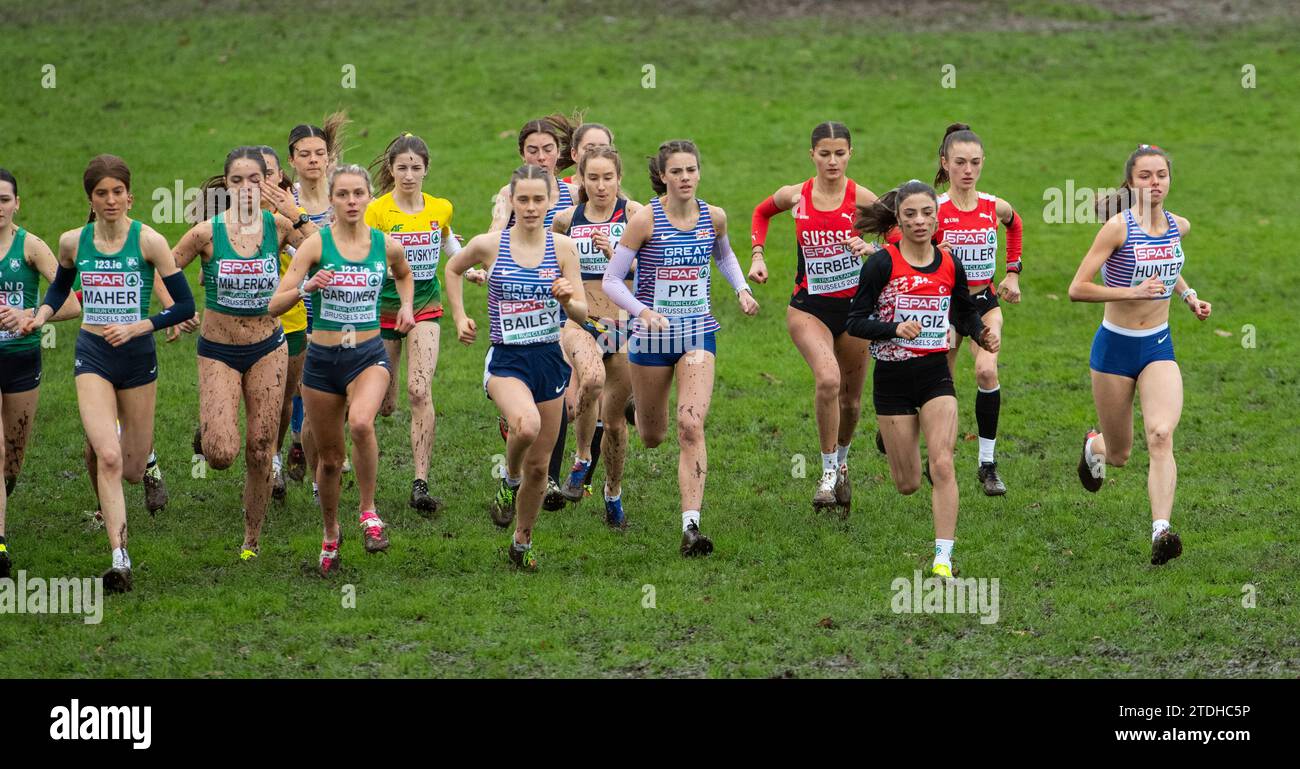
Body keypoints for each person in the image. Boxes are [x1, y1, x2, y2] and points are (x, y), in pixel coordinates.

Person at [18, 154, 195, 592]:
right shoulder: (72, 242)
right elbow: (61, 285)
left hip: (137, 358)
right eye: (102, 193)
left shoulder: (150, 242)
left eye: (118, 192)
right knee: (108, 456)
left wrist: (142, 325)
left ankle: (149, 465)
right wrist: (40, 316)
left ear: (129, 196)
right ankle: (120, 557)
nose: (110, 200)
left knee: (132, 466)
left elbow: (186, 306)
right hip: (92, 353)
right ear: (91, 199)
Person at [602, 140, 759, 555]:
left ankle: (691, 526)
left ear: (698, 173)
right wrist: (642, 312)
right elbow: (612, 280)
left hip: (697, 334)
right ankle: (638, 406)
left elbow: (723, 257)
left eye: (691, 170)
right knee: (653, 437)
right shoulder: (645, 221)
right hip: (651, 338)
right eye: (677, 172)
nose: (685, 178)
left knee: (690, 425)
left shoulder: (715, 218)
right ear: (663, 177)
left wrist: (741, 290)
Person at [166, 147, 317, 560]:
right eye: (238, 181)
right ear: (226, 186)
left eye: (256, 180)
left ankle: (251, 540)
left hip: (268, 346)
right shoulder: (205, 233)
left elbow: (331, 248)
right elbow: (166, 266)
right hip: (218, 349)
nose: (248, 189)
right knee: (219, 454)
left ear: (267, 183)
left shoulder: (280, 226)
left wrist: (298, 215)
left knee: (260, 446)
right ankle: (211, 428)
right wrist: (176, 311)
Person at [845, 180, 999, 581]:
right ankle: (896, 439)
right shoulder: (881, 264)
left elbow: (964, 312)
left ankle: (943, 560)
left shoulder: (949, 263)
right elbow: (855, 322)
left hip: (934, 375)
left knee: (943, 464)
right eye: (910, 214)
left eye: (927, 213)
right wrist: (894, 329)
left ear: (936, 217)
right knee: (908, 483)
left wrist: (981, 332)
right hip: (892, 379)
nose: (919, 221)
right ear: (898, 218)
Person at [1068, 144, 1210, 566]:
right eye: (1145, 176)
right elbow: (1078, 288)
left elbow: (1168, 262)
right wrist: (1130, 291)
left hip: (1158, 346)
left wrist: (1189, 296)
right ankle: (1093, 446)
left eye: (1161, 175)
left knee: (1161, 435)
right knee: (1120, 454)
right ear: (1131, 183)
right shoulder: (1117, 228)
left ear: (1170, 179)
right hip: (1114, 348)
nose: (1155, 183)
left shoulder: (1177, 226)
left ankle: (1161, 532)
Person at [271, 164, 415, 576]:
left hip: (368, 355)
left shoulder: (385, 246)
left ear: (369, 197)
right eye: (343, 195)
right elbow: (275, 303)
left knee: (362, 423)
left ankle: (369, 513)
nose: (352, 201)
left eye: (358, 194)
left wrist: (405, 306)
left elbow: (404, 275)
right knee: (331, 460)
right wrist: (306, 288)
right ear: (331, 200)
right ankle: (331, 533)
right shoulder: (315, 247)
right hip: (321, 363)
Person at [445, 165, 586, 570]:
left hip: (549, 360)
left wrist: (567, 298)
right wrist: (459, 317)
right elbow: (453, 269)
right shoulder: (490, 244)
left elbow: (580, 310)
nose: (529, 207)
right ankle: (509, 479)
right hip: (507, 360)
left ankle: (522, 540)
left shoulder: (563, 249)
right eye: (522, 199)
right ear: (511, 200)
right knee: (525, 425)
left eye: (537, 199)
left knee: (540, 467)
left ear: (550, 202)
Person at [748, 121, 877, 513]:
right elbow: (760, 212)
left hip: (856, 311)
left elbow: (898, 234)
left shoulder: (862, 199)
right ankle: (824, 475)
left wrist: (869, 246)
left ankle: (841, 463)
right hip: (809, 308)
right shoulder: (797, 196)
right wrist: (757, 254)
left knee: (852, 403)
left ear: (850, 154)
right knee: (828, 380)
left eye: (840, 153)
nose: (832, 161)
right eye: (824, 154)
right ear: (812, 155)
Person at [366, 132, 463, 514]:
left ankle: (420, 483)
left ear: (426, 170)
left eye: (415, 168)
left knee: (419, 391)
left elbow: (446, 240)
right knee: (384, 404)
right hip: (381, 310)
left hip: (425, 305)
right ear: (391, 170)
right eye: (402, 168)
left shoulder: (440, 207)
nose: (408, 175)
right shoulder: (376, 211)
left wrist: (466, 266)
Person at [930, 123, 1024, 495]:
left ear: (983, 163)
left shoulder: (992, 206)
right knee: (943, 385)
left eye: (974, 163)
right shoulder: (933, 209)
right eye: (959, 163)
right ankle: (938, 457)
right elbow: (904, 243)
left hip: (984, 302)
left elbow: (1015, 224)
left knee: (986, 370)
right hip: (945, 306)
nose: (967, 170)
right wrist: (938, 256)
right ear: (945, 163)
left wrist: (1012, 273)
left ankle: (987, 464)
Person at [550, 146, 642, 525]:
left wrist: (617, 257)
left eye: (608, 178)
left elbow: (647, 269)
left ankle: (613, 493)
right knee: (590, 378)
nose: (601, 186)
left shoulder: (634, 215)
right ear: (581, 180)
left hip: (622, 324)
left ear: (619, 178)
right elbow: (545, 253)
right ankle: (583, 458)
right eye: (593, 178)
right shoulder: (566, 219)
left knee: (618, 424)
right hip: (579, 321)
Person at [0, 169, 83, 578]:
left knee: (12, 461)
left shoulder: (30, 246)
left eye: (3, 200)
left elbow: (73, 302)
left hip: (21, 358)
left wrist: (28, 315)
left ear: (16, 203)